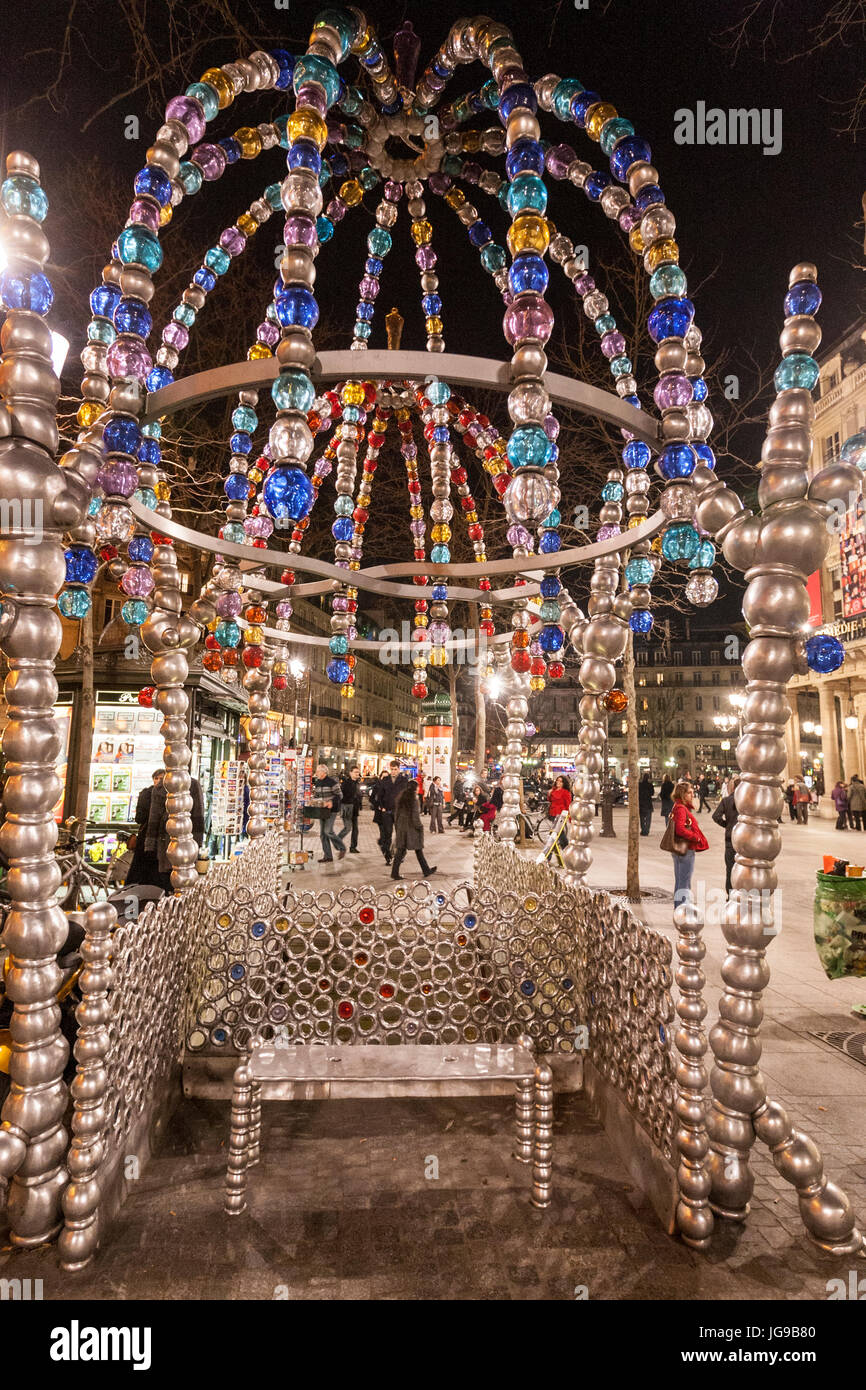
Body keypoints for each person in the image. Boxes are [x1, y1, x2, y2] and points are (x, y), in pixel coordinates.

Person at [143, 771, 205, 891]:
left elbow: (198, 816)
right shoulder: (160, 787)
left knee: (184, 877)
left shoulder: (193, 785)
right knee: (166, 878)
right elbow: (153, 818)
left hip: (186, 841)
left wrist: (198, 843)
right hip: (165, 841)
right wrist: (150, 846)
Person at [669, 780, 708, 907]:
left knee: (681, 881)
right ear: (683, 794)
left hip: (680, 848)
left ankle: (679, 910)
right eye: (690, 793)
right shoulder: (681, 809)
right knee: (684, 883)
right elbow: (680, 829)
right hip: (686, 848)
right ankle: (682, 912)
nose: (692, 795)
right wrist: (695, 837)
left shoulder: (679, 806)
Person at [125, 769, 164, 886]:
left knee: (140, 870)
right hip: (157, 838)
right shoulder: (166, 795)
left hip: (145, 837)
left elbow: (139, 818)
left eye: (160, 779)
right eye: (157, 778)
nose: (158, 781)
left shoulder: (145, 793)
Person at [391, 780, 436, 880]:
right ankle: (426, 870)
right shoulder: (414, 799)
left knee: (401, 849)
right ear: (415, 788)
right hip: (411, 827)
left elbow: (396, 813)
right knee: (418, 849)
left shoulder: (401, 797)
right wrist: (420, 827)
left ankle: (395, 872)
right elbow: (415, 816)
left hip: (401, 826)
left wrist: (397, 825)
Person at [372, 760, 407, 864]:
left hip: (399, 812)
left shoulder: (404, 780)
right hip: (387, 811)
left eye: (395, 769)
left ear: (399, 769)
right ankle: (388, 856)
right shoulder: (385, 780)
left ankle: (400, 855)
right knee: (387, 835)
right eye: (391, 769)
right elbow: (380, 795)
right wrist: (381, 806)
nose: (393, 771)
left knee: (400, 835)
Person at [312, 762, 345, 863]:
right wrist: (313, 800)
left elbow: (339, 795)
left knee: (328, 831)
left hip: (332, 810)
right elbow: (317, 795)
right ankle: (328, 856)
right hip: (322, 810)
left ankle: (342, 848)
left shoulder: (332, 782)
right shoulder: (318, 782)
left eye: (317, 771)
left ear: (323, 772)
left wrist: (331, 802)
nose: (316, 773)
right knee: (322, 834)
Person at [712, 776, 739, 895]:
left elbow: (716, 816)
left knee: (730, 869)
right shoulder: (748, 802)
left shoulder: (726, 801)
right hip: (745, 841)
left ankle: (731, 894)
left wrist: (727, 825)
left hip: (730, 839)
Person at [340, 764, 363, 853]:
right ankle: (337, 840)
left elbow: (359, 795)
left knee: (355, 829)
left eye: (358, 772)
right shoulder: (346, 783)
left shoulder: (357, 783)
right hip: (347, 808)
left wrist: (359, 804)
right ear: (350, 773)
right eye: (355, 772)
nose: (357, 774)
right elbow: (342, 796)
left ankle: (353, 847)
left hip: (355, 809)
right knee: (347, 828)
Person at [547, 774, 572, 848]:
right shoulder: (553, 790)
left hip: (561, 814)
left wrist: (569, 817)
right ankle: (565, 848)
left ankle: (550, 853)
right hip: (553, 813)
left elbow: (568, 805)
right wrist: (550, 793)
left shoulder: (565, 792)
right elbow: (550, 800)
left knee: (557, 833)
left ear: (564, 783)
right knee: (558, 833)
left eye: (561, 781)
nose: (558, 782)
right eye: (557, 780)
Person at [638, 772, 654, 837]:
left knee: (642, 818)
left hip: (641, 804)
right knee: (648, 818)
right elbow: (652, 793)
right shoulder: (650, 785)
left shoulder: (640, 785)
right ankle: (647, 830)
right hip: (648, 804)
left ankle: (643, 830)